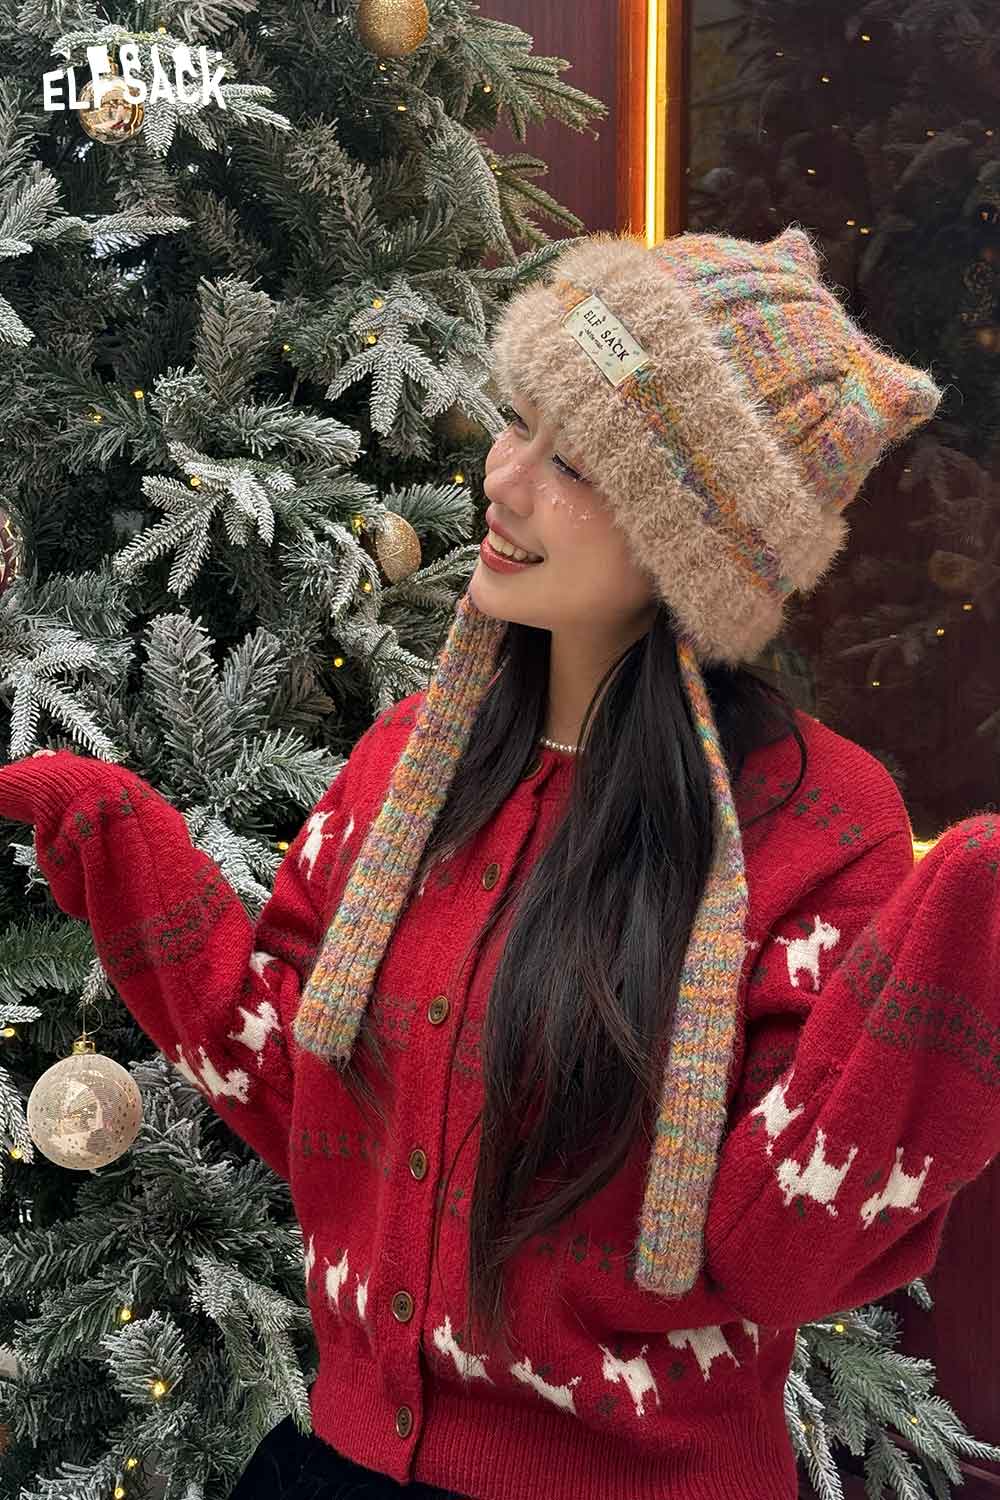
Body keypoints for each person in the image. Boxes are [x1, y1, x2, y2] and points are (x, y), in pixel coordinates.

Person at [3, 228, 999, 1500]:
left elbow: (779, 1254)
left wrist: (959, 951)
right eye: (516, 419)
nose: (503, 480)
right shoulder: (411, 762)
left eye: (571, 460)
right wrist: (131, 854)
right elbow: (305, 1104)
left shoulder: (814, 821)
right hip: (349, 1461)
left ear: (697, 543)